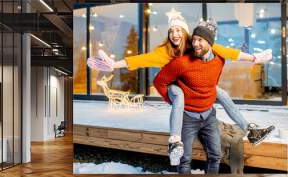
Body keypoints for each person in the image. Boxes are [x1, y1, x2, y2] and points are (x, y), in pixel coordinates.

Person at [88, 14, 274, 166]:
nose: (174, 34)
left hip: (194, 85)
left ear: (185, 33)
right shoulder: (165, 52)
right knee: (179, 95)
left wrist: (254, 58)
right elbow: (141, 59)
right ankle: (175, 141)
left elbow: (227, 52)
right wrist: (114, 64)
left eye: (178, 30)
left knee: (222, 93)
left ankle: (251, 131)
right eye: (171, 31)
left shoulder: (196, 45)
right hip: (174, 85)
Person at [153, 22, 229, 174]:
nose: (195, 44)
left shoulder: (220, 60)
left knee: (215, 156)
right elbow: (159, 81)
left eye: (199, 40)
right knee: (184, 159)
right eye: (193, 40)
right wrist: (173, 100)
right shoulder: (181, 62)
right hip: (187, 117)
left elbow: (213, 82)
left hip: (209, 116)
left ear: (210, 42)